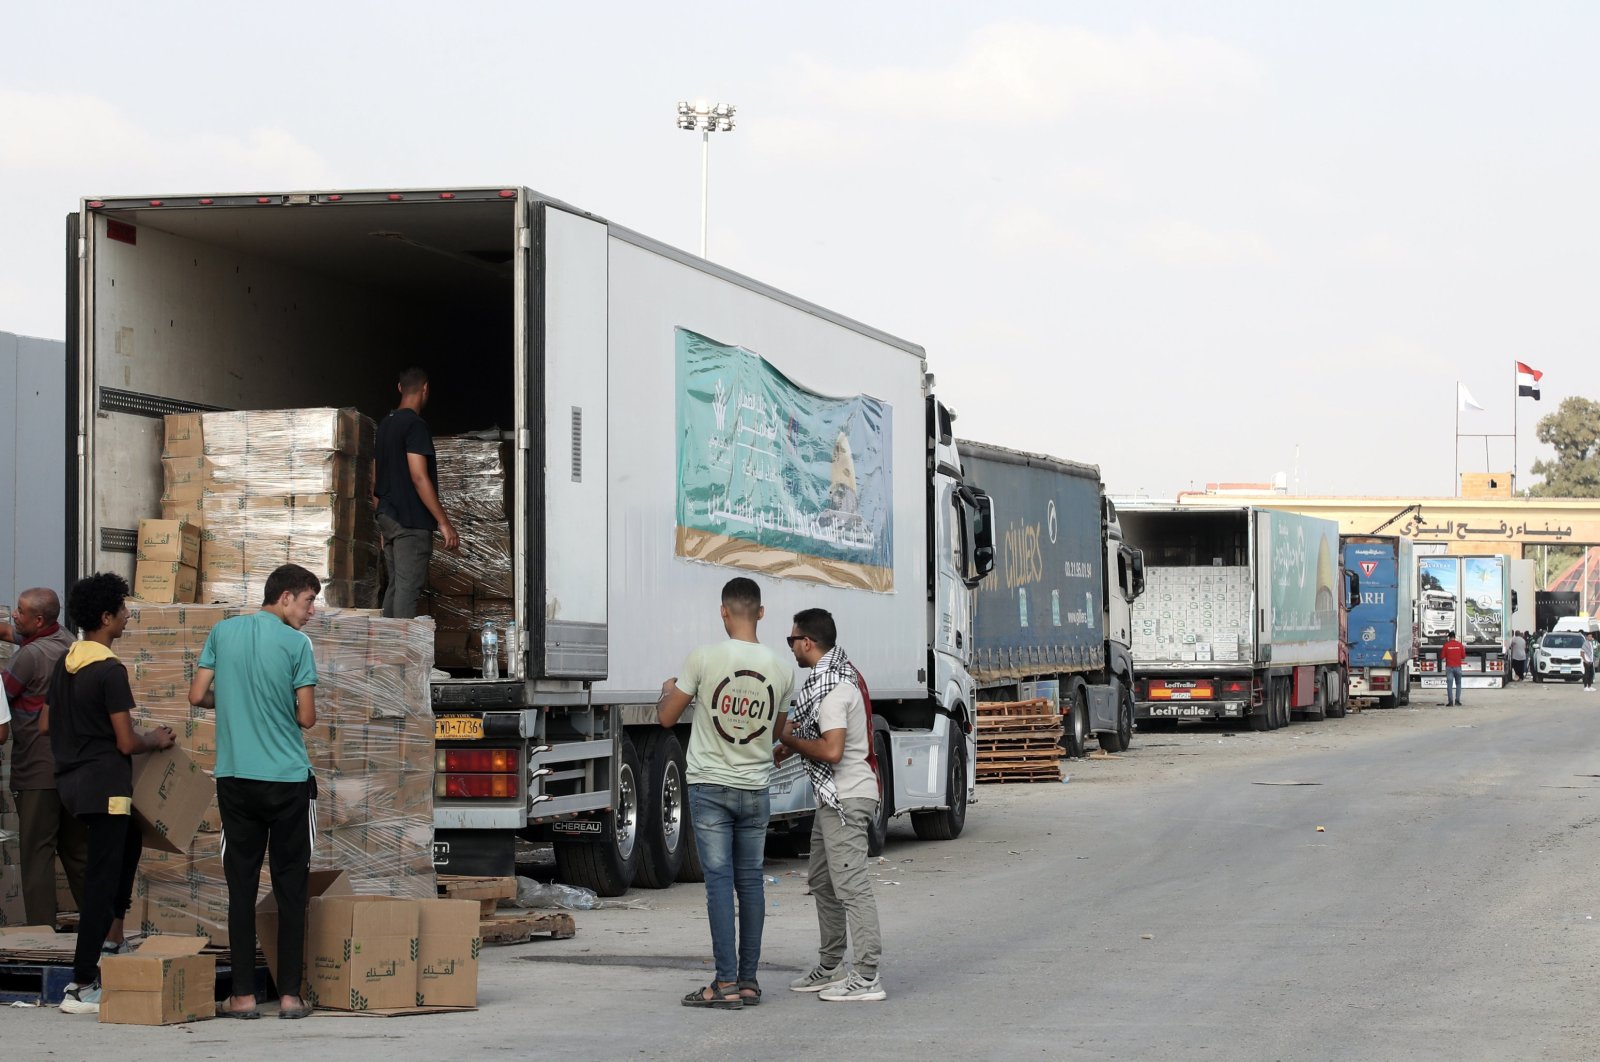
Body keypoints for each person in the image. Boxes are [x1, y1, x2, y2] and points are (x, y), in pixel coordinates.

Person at [188, 564, 321, 1020]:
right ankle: (289, 996)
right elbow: (306, 718)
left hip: (235, 780)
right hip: (286, 781)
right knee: (290, 887)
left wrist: (234, 699)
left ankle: (242, 995)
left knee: (241, 887)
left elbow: (197, 695)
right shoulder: (296, 644)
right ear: (285, 597)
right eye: (307, 601)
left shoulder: (222, 634)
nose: (310, 612)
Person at [656, 577, 793, 1010]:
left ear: (722, 611)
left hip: (711, 786)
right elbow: (776, 731)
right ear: (762, 612)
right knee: (750, 881)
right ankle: (749, 981)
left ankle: (725, 983)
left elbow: (665, 719)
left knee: (719, 883)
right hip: (755, 788)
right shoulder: (782, 667)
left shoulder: (703, 658)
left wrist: (668, 690)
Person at [47, 573, 175, 1015]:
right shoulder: (110, 670)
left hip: (72, 784)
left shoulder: (66, 664)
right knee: (102, 881)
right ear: (105, 618)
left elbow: (47, 725)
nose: (127, 615)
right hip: (108, 788)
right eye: (122, 609)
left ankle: (114, 939)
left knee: (131, 843)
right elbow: (125, 742)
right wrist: (153, 739)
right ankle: (81, 985)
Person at [779, 608, 886, 1003]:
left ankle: (867, 974)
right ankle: (830, 965)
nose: (790, 646)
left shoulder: (831, 687)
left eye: (791, 640)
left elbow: (832, 750)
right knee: (823, 881)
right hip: (832, 798)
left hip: (847, 797)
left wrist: (788, 742)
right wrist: (785, 747)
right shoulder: (836, 676)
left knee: (851, 886)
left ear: (807, 642)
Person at [1, 589, 88, 927]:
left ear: (38, 621)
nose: (14, 617)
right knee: (77, 853)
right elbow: (13, 635)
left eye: (20, 612)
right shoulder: (65, 642)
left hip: (37, 771)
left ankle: (41, 935)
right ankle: (102, 928)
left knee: (36, 855)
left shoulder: (29, 657)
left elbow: (2, 695)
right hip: (70, 770)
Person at [374, 366, 458, 619]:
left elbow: (374, 478)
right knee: (407, 591)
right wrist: (444, 523)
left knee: (395, 587)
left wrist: (381, 522)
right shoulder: (415, 426)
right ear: (425, 389)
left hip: (388, 517)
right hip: (410, 522)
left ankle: (388, 652)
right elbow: (418, 476)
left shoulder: (385, 426)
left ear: (399, 388)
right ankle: (400, 657)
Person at [1440, 635, 1467, 706]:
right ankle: (1457, 701)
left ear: (1449, 637)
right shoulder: (1460, 645)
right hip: (1458, 667)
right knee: (1458, 684)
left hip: (1449, 667)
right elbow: (1463, 656)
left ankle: (1450, 702)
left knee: (1449, 685)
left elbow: (1442, 656)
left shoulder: (1446, 645)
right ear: (1455, 637)